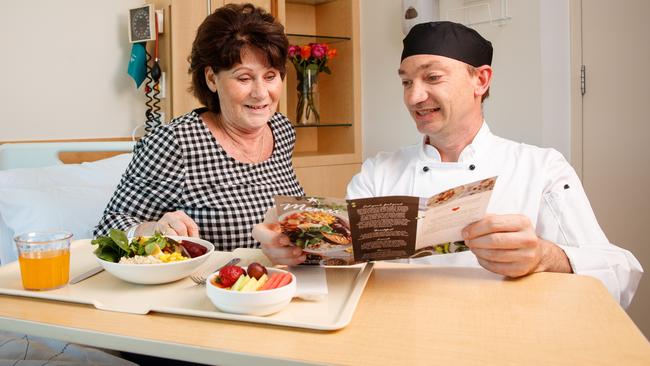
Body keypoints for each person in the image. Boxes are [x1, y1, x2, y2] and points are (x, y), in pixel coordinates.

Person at [253, 21, 643, 308]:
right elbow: (341, 273)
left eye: (432, 77)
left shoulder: (540, 167)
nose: (414, 96)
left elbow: (621, 272)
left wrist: (546, 256)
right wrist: (297, 252)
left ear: (481, 80)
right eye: (406, 81)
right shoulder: (379, 171)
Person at [95, 3, 304, 251]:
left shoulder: (281, 129)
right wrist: (154, 230)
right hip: (211, 285)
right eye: (244, 78)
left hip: (281, 283)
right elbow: (107, 230)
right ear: (211, 78)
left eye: (270, 76)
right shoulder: (175, 142)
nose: (261, 93)